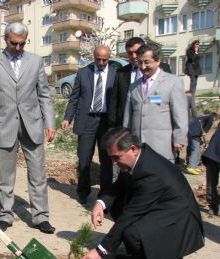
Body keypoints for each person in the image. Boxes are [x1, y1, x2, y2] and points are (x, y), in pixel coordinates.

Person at [80, 127, 204, 259]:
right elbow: (119, 185)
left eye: (116, 157)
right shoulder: (137, 158)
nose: (113, 162)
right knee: (119, 208)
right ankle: (144, 258)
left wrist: (100, 251)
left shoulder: (151, 174)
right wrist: (101, 203)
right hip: (163, 210)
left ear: (132, 149)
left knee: (132, 232)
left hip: (179, 221)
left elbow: (131, 214)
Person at [0, 22, 56, 234]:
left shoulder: (36, 62)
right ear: (5, 39)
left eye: (21, 43)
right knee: (4, 175)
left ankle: (41, 216)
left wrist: (50, 123)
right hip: (4, 125)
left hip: (32, 125)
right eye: (13, 43)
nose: (18, 48)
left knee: (37, 174)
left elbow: (44, 95)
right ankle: (5, 214)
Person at [61, 45, 116, 203]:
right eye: (98, 59)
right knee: (84, 157)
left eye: (104, 59)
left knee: (106, 159)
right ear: (94, 56)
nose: (101, 62)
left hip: (106, 121)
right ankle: (83, 191)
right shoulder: (83, 73)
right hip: (87, 120)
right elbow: (74, 98)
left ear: (109, 58)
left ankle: (105, 193)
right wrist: (67, 118)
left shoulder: (115, 74)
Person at [123, 43, 188, 163]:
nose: (142, 67)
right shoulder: (134, 86)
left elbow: (180, 114)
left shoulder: (173, 82)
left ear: (158, 61)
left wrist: (179, 138)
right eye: (140, 62)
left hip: (162, 146)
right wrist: (126, 139)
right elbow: (128, 117)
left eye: (147, 62)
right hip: (138, 147)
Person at [108, 37, 171, 127]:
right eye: (130, 53)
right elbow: (114, 101)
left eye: (136, 52)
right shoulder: (121, 72)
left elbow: (166, 97)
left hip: (154, 123)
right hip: (127, 124)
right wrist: (112, 125)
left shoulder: (162, 69)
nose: (134, 56)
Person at [202, 124, 220, 216]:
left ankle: (213, 206)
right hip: (213, 154)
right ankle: (213, 206)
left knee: (211, 182)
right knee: (211, 183)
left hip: (211, 153)